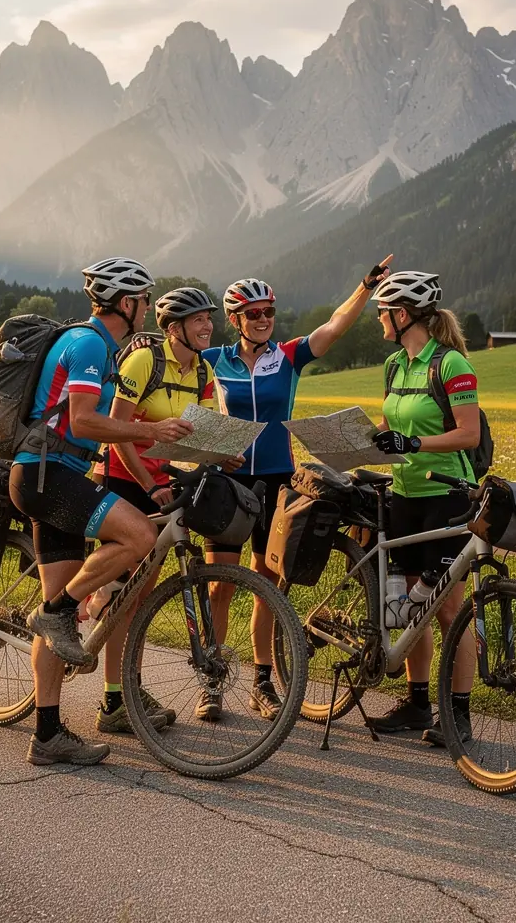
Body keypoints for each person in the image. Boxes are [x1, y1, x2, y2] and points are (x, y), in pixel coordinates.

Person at [9, 257, 194, 767]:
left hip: (47, 475)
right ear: (126, 304)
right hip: (51, 475)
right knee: (137, 538)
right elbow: (85, 421)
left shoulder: (101, 348)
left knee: (59, 607)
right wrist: (152, 432)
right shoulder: (90, 344)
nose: (149, 310)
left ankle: (46, 735)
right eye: (144, 301)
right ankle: (58, 612)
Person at [198, 257, 393, 722]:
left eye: (268, 311)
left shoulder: (286, 356)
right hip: (228, 482)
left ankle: (262, 681)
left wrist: (364, 287)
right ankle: (212, 678)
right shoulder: (213, 361)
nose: (264, 319)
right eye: (253, 313)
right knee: (220, 586)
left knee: (269, 584)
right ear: (235, 320)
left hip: (277, 483)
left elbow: (333, 327)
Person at [94, 286, 222, 734]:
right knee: (122, 594)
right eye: (199, 320)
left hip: (164, 486)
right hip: (127, 481)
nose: (209, 325)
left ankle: (126, 689)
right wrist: (149, 486)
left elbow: (200, 433)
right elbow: (117, 430)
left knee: (141, 596)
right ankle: (114, 700)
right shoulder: (144, 361)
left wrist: (222, 453)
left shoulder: (202, 369)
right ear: (174, 328)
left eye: (209, 318)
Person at [363, 270, 481, 747]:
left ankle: (459, 715)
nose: (379, 321)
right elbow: (394, 423)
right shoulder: (395, 366)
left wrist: (412, 440)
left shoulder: (450, 364)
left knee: (449, 609)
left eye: (382, 313)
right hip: (404, 495)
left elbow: (468, 434)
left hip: (447, 496)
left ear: (403, 314)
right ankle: (416, 703)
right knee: (412, 603)